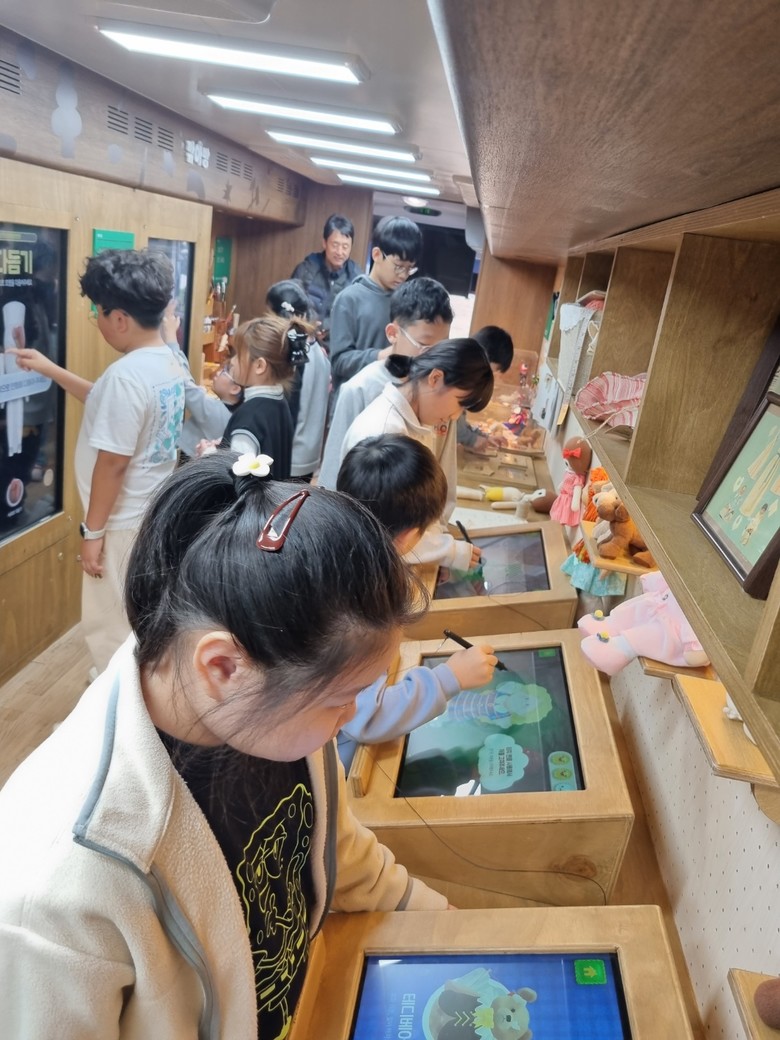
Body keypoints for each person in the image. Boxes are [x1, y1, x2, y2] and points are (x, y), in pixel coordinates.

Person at [0, 453, 448, 1038]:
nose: (350, 719)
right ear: (223, 666)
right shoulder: (59, 893)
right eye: (343, 699)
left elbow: (334, 847)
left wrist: (437, 919)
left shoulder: (261, 697)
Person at [9, 248, 184, 671]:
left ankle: (117, 701)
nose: (97, 320)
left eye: (98, 312)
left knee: (110, 626)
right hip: (149, 512)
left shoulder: (127, 376)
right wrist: (49, 369)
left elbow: (113, 463)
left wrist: (93, 532)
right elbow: (105, 400)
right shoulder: (165, 360)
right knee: (136, 613)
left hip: (119, 525)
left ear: (119, 319)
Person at [335, 433, 497, 770]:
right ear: (410, 535)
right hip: (341, 762)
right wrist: (449, 678)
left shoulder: (344, 556)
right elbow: (364, 717)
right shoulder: (363, 600)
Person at [340, 339, 493, 570]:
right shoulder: (384, 431)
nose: (455, 416)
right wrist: (445, 552)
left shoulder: (424, 418)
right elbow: (384, 533)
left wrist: (440, 548)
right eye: (460, 404)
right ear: (435, 378)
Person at [317, 276, 453, 489]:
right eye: (425, 346)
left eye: (442, 347)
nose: (435, 357)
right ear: (393, 333)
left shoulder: (443, 390)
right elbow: (333, 473)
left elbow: (445, 473)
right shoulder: (360, 389)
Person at [328, 215, 423, 390]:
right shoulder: (349, 299)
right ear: (377, 254)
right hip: (355, 401)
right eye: (398, 266)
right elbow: (339, 362)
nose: (403, 275)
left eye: (409, 268)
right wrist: (382, 356)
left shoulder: (407, 303)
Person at [217, 313, 310, 479]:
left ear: (260, 365)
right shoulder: (280, 403)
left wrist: (209, 457)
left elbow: (236, 481)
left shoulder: (248, 418)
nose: (233, 361)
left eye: (238, 354)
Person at [266, 279, 331, 481]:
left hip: (290, 455)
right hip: (309, 453)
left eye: (269, 315)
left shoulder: (295, 357)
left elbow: (290, 410)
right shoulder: (316, 348)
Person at [160, 300, 241, 459]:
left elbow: (184, 383)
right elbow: (187, 380)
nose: (219, 372)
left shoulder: (216, 411)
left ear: (235, 388)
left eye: (226, 371)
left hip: (188, 460)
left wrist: (170, 337)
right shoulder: (228, 411)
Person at [290, 213, 360, 343]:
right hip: (304, 341)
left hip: (338, 346)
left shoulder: (357, 279)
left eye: (345, 247)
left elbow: (357, 319)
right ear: (324, 243)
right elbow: (289, 306)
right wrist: (309, 327)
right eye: (335, 245)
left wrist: (327, 328)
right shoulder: (305, 270)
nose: (340, 252)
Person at [458, 325, 515, 452]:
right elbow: (447, 424)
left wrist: (485, 437)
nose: (488, 379)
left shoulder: (468, 378)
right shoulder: (457, 378)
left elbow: (459, 421)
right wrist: (473, 439)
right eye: (490, 372)